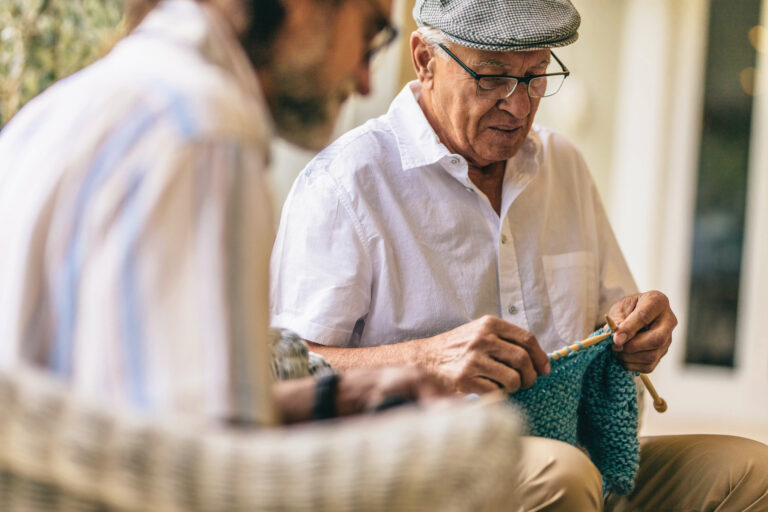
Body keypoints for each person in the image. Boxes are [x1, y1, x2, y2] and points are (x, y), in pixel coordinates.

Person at [270, 0, 768, 509]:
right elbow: (290, 372)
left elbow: (612, 320)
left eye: (536, 75)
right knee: (562, 475)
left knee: (750, 472)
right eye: (492, 77)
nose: (520, 104)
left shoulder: (564, 165)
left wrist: (637, 331)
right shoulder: (345, 183)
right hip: (415, 473)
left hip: (575, 456)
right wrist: (427, 359)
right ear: (424, 59)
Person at [0, 0, 445, 428]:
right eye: (372, 34)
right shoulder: (204, 130)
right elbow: (200, 459)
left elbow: (145, 414)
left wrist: (342, 396)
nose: (366, 81)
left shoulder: (63, 108)